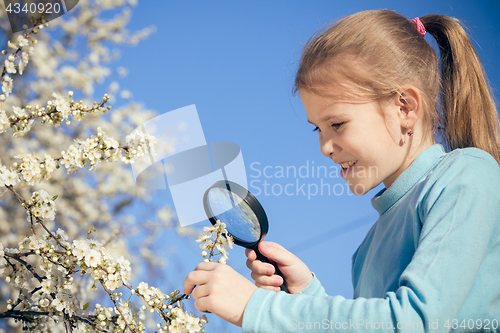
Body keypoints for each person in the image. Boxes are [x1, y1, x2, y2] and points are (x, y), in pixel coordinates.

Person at [184, 9, 500, 332]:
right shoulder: (366, 250)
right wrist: (306, 296)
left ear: (405, 107)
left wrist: (259, 308)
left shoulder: (466, 178)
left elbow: (413, 322)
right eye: (317, 130)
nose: (324, 147)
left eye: (337, 124)